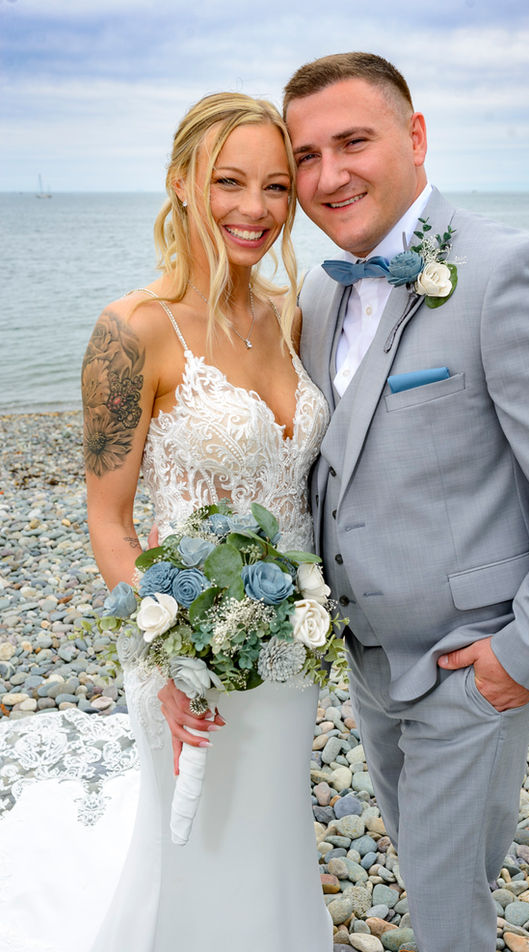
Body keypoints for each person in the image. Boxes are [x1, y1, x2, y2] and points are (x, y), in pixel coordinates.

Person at [282, 52, 529, 952]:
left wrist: (524, 655)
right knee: (431, 870)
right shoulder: (323, 300)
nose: (330, 176)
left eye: (353, 141)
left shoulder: (510, 272)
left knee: (444, 911)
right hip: (368, 663)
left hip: (468, 660)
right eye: (308, 156)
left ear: (416, 135)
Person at [82, 92, 332, 951]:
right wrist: (163, 660)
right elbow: (109, 522)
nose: (255, 209)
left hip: (292, 642)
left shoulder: (288, 315)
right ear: (180, 183)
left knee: (269, 833)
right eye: (229, 181)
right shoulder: (133, 331)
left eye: (274, 186)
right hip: (183, 648)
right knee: (194, 839)